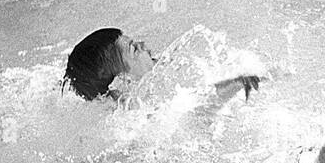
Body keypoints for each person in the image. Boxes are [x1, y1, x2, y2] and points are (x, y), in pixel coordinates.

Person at [62, 27, 263, 103]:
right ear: (122, 81)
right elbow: (198, 111)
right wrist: (241, 82)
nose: (143, 45)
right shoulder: (142, 115)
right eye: (134, 49)